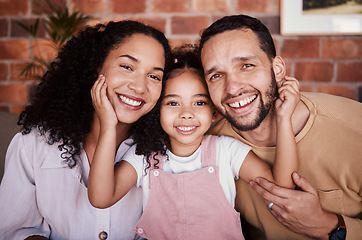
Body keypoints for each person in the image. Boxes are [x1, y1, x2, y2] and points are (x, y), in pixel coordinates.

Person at [87, 46, 300, 239]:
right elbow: (101, 197)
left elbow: (282, 186)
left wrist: (283, 118)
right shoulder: (144, 156)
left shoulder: (226, 151)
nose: (186, 114)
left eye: (199, 102)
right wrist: (108, 125)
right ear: (157, 110)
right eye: (173, 102)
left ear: (214, 112)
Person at [0, 20, 173, 240]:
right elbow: (15, 230)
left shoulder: (160, 155)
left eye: (154, 76)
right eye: (127, 67)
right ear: (95, 68)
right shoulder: (32, 146)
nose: (140, 87)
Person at [199, 14, 362, 240]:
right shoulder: (208, 147)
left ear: (277, 69)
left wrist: (328, 225)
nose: (233, 88)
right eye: (216, 75)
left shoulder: (355, 126)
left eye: (246, 65)